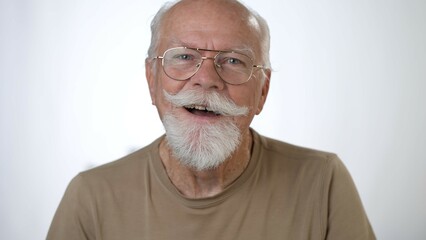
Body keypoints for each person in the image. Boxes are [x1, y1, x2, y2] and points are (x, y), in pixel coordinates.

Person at [47, 0, 376, 239]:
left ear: (263, 90)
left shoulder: (323, 182)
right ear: (151, 78)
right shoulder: (90, 198)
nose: (206, 79)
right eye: (184, 56)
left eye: (233, 60)